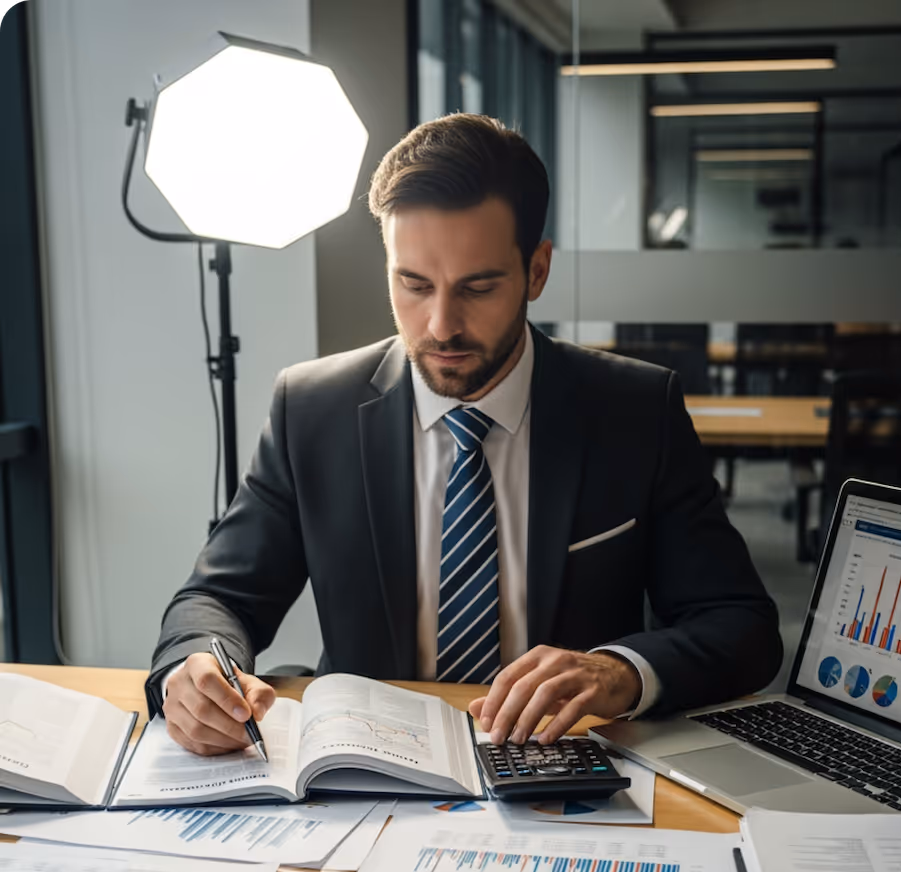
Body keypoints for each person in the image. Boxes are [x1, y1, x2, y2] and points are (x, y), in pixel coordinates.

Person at [148, 113, 782, 758]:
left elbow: (742, 627)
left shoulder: (635, 408)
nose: (441, 325)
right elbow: (219, 596)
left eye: (478, 288)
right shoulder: (311, 407)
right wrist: (196, 668)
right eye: (413, 284)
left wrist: (620, 671)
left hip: (564, 764)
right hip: (367, 771)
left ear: (537, 271)